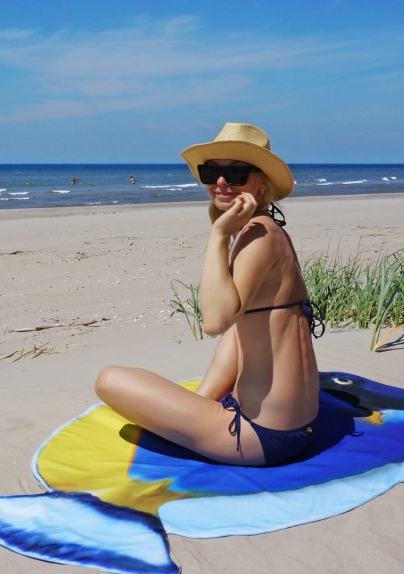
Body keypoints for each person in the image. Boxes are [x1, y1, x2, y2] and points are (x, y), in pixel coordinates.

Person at [96, 122, 323, 467]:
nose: (220, 182)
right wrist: (202, 403)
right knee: (241, 323)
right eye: (212, 171)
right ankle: (202, 405)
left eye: (236, 173)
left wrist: (218, 236)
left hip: (260, 436)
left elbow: (214, 322)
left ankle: (201, 412)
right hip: (299, 426)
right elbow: (234, 325)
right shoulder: (267, 229)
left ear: (261, 181)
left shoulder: (256, 236)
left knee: (108, 380)